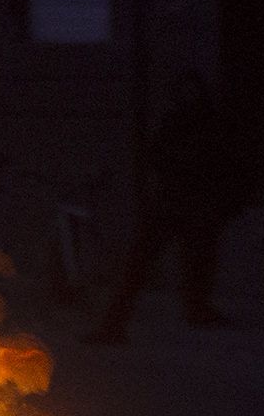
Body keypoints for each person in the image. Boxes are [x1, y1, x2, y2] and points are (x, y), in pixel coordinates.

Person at [89, 70, 241, 343]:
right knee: (140, 264)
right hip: (172, 201)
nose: (187, 97)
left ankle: (195, 309)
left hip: (193, 203)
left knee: (196, 261)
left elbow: (220, 164)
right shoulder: (178, 121)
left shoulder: (209, 124)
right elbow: (157, 156)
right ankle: (115, 323)